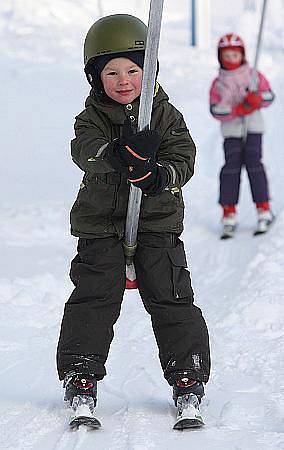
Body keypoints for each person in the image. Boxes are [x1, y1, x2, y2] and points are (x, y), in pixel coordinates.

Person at [56, 14, 210, 418]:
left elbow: (184, 158)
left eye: (133, 69)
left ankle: (187, 374)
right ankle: (80, 371)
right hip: (101, 226)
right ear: (95, 77)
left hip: (156, 224)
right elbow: (83, 150)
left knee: (172, 297)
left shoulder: (165, 115)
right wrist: (115, 154)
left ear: (149, 70)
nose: (123, 80)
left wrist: (159, 174)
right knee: (93, 297)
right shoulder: (91, 117)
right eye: (111, 72)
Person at [209, 33, 275, 237]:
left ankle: (263, 208)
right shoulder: (219, 83)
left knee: (255, 165)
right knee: (231, 168)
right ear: (220, 57)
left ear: (242, 55)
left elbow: (269, 95)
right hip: (232, 133)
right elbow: (215, 110)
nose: (231, 59)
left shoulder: (253, 75)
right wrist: (237, 110)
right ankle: (228, 212)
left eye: (235, 55)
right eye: (226, 55)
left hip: (253, 128)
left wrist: (257, 99)